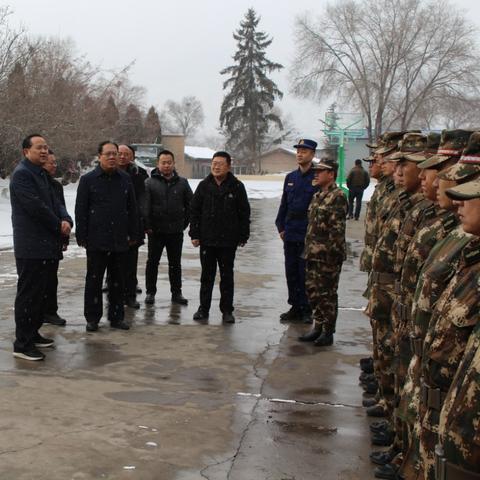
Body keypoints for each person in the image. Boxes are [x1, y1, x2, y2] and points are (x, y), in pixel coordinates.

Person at [10, 134, 73, 360]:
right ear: (26, 151)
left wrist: (66, 219)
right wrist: (59, 225)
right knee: (29, 295)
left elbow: (56, 203)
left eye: (46, 147)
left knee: (41, 295)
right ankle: (22, 343)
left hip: (48, 245)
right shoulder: (22, 175)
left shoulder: (42, 175)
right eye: (39, 148)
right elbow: (36, 208)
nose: (44, 151)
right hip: (31, 246)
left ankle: (33, 333)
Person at [75, 141, 138, 332]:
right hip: (96, 239)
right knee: (94, 280)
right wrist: (82, 234)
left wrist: (134, 233)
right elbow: (81, 209)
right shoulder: (88, 180)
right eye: (108, 154)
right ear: (99, 156)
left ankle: (116, 317)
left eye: (115, 154)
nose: (113, 157)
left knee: (117, 281)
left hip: (120, 239)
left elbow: (132, 208)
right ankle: (92, 318)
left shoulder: (125, 179)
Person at [189, 151, 250, 323]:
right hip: (207, 240)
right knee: (206, 276)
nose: (216, 166)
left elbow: (244, 212)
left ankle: (227, 311)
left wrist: (243, 235)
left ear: (229, 166)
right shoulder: (203, 186)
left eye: (220, 164)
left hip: (228, 241)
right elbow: (194, 211)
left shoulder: (237, 186)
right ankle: (203, 309)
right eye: (214, 163)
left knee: (227, 277)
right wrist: (194, 234)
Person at [297, 159, 347, 346]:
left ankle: (328, 331)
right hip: (312, 253)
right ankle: (317, 326)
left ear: (331, 174)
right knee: (313, 292)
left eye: (320, 171)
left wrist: (332, 258)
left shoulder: (338, 196)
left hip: (327, 256)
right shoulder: (318, 196)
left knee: (327, 294)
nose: (316, 174)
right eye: (315, 171)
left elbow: (336, 230)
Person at [275, 139, 319, 324]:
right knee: (291, 272)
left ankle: (306, 308)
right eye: (298, 151)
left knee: (305, 274)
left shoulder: (317, 177)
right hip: (291, 233)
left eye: (304, 151)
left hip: (307, 234)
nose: (300, 154)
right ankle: (295, 305)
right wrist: (281, 226)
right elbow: (284, 203)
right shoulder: (291, 177)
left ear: (312, 154)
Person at [144, 149, 193, 305]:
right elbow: (145, 208)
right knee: (152, 263)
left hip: (175, 231)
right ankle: (150, 292)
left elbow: (190, 205)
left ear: (173, 164)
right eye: (163, 163)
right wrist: (148, 226)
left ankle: (176, 293)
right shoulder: (149, 183)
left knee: (175, 264)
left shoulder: (182, 183)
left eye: (169, 162)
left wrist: (183, 224)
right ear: (158, 164)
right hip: (156, 231)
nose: (166, 165)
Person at [117, 144, 148, 309]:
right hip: (113, 225)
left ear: (132, 156)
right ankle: (115, 294)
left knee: (130, 263)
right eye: (119, 153)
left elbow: (143, 200)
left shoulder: (138, 174)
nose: (122, 157)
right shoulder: (109, 172)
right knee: (114, 263)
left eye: (126, 154)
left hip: (133, 223)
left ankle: (129, 296)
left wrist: (142, 221)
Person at [43, 149, 69, 326]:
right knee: (38, 281)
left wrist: (65, 228)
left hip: (54, 238)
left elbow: (61, 208)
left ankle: (50, 311)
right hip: (39, 238)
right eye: (51, 163)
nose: (54, 166)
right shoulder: (32, 182)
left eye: (55, 162)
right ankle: (40, 312)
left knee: (52, 278)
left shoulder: (55, 185)